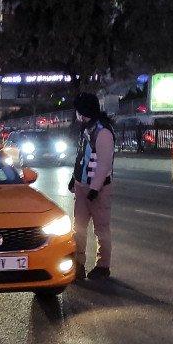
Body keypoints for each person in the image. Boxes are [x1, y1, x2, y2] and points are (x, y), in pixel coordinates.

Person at [68, 92, 115, 280]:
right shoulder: (86, 129)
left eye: (78, 112)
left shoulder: (103, 132)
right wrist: (74, 178)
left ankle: (103, 265)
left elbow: (104, 164)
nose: (77, 116)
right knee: (78, 227)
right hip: (82, 186)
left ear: (84, 112)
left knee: (101, 228)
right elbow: (82, 156)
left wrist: (95, 189)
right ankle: (78, 265)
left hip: (100, 189)